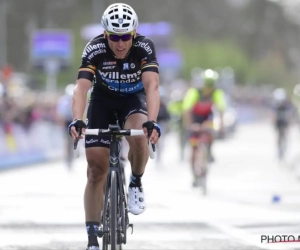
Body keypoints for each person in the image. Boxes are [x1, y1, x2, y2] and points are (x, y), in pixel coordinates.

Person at [67, 3, 161, 250]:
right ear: (105, 34)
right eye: (115, 37)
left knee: (140, 135)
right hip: (102, 100)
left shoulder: (144, 47)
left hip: (133, 99)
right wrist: (78, 118)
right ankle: (91, 239)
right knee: (96, 170)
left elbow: (152, 86)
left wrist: (152, 121)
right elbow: (81, 88)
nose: (121, 44)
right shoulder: (95, 48)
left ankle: (136, 182)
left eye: (126, 37)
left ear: (134, 33)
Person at [182, 69, 226, 185]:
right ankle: (194, 174)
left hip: (207, 118)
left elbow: (221, 109)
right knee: (194, 149)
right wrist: (190, 125)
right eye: (208, 84)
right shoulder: (194, 92)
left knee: (211, 131)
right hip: (195, 118)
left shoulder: (217, 92)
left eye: (211, 85)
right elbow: (186, 110)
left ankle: (209, 150)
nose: (209, 88)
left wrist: (221, 125)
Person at [56, 84, 76, 169]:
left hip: (75, 121)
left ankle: (72, 155)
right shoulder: (63, 100)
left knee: (73, 141)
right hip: (67, 122)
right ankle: (68, 158)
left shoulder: (77, 99)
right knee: (67, 142)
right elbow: (60, 114)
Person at [272, 88, 295, 159]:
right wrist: (273, 121)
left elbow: (290, 112)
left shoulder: (287, 104)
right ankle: (279, 148)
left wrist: (290, 119)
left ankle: (284, 145)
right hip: (279, 122)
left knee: (285, 133)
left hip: (285, 121)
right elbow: (273, 114)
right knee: (279, 135)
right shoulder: (275, 105)